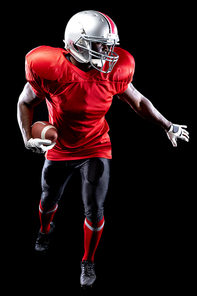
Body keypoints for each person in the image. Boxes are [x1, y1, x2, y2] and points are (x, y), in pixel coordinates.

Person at [17, 10, 189, 288]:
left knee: (95, 208)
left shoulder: (114, 72)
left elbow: (139, 101)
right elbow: (24, 102)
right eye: (100, 44)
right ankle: (45, 230)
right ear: (76, 43)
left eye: (109, 45)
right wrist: (27, 137)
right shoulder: (50, 70)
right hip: (60, 146)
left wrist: (168, 125)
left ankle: (88, 260)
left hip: (96, 145)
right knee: (48, 198)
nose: (108, 51)